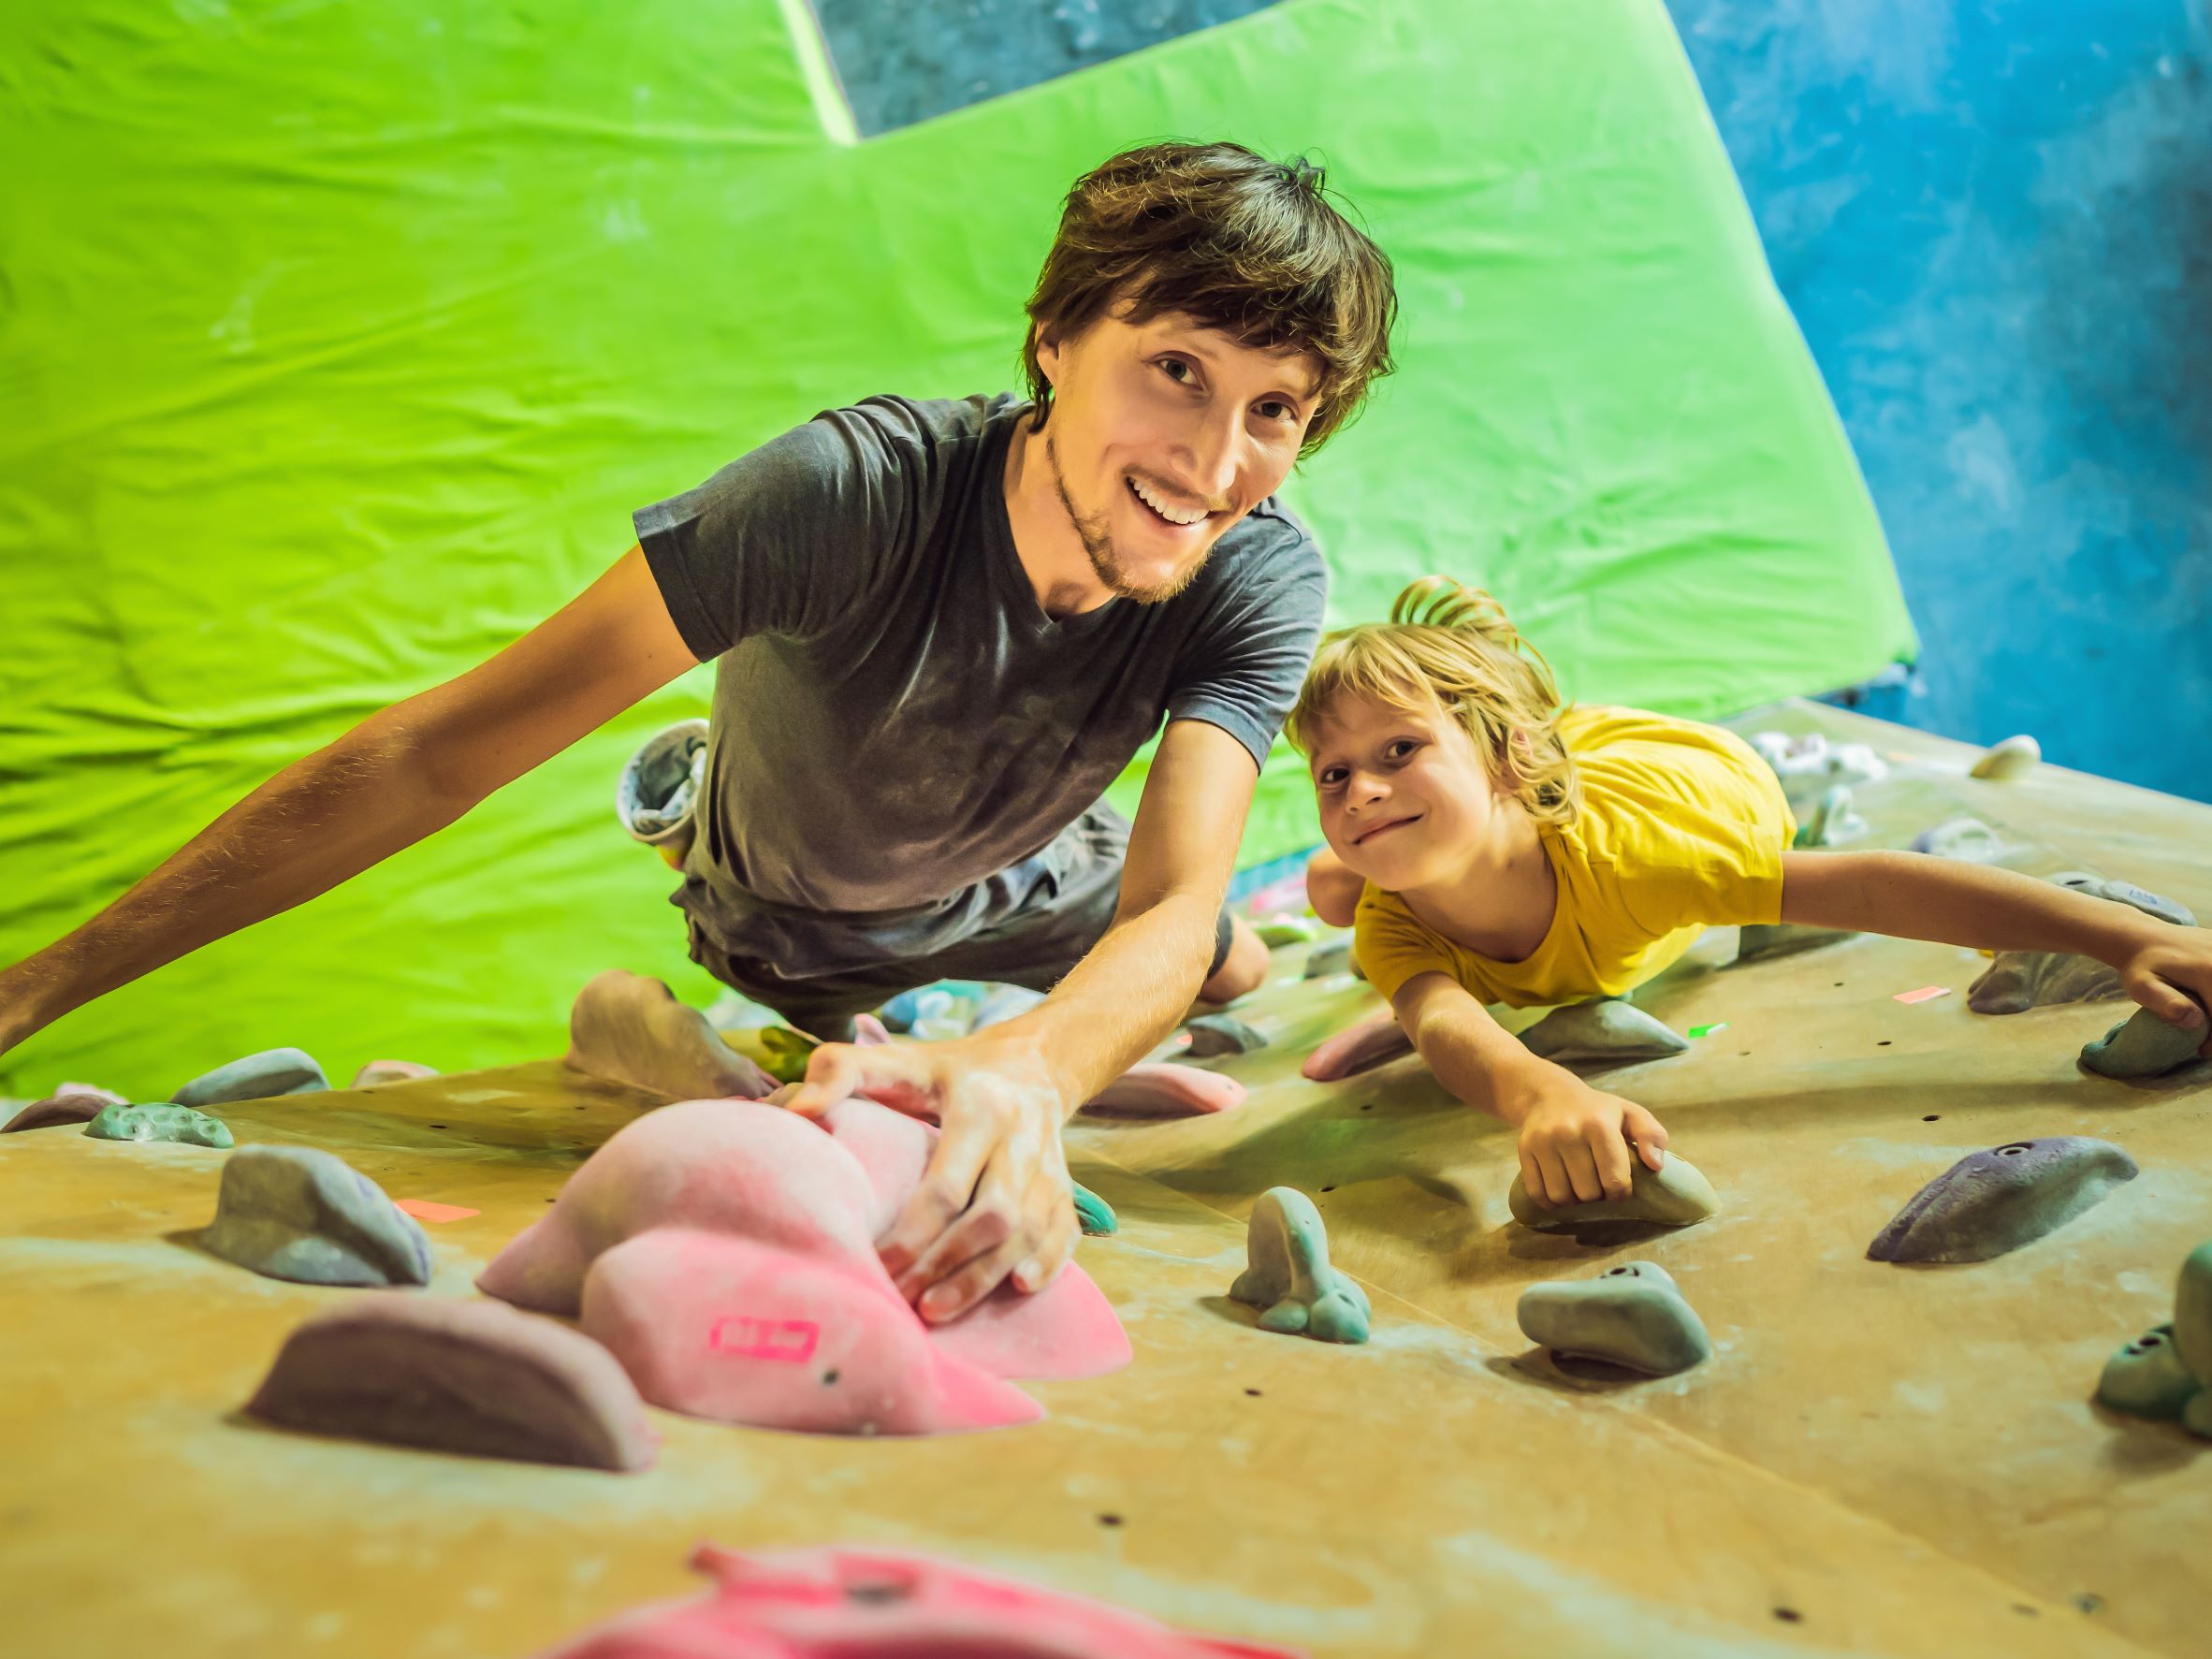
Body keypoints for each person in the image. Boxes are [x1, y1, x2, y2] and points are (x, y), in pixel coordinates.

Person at [0, 141, 1398, 1322]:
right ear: (1055, 340)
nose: (1217, 465)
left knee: (1232, 958)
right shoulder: (843, 496)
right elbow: (441, 751)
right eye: (1175, 371)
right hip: (794, 905)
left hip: (1024, 869)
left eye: (1274, 411)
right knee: (789, 1021)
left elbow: (1169, 903)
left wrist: (1036, 1066)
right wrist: (37, 987)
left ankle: (999, 970)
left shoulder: (1261, 565)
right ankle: (681, 831)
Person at [1290, 577, 2212, 1210]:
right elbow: (1446, 1031)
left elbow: (1875, 888)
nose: (1360, 789)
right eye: (1332, 774)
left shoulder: (1641, 863)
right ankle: (1458, 742)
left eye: (1399, 751)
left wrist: (2124, 936)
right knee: (1338, 883)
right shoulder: (1393, 924)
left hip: (1690, 779)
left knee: (1366, 861)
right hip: (1527, 772)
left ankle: (1519, 722)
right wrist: (1537, 1092)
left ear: (1504, 761)